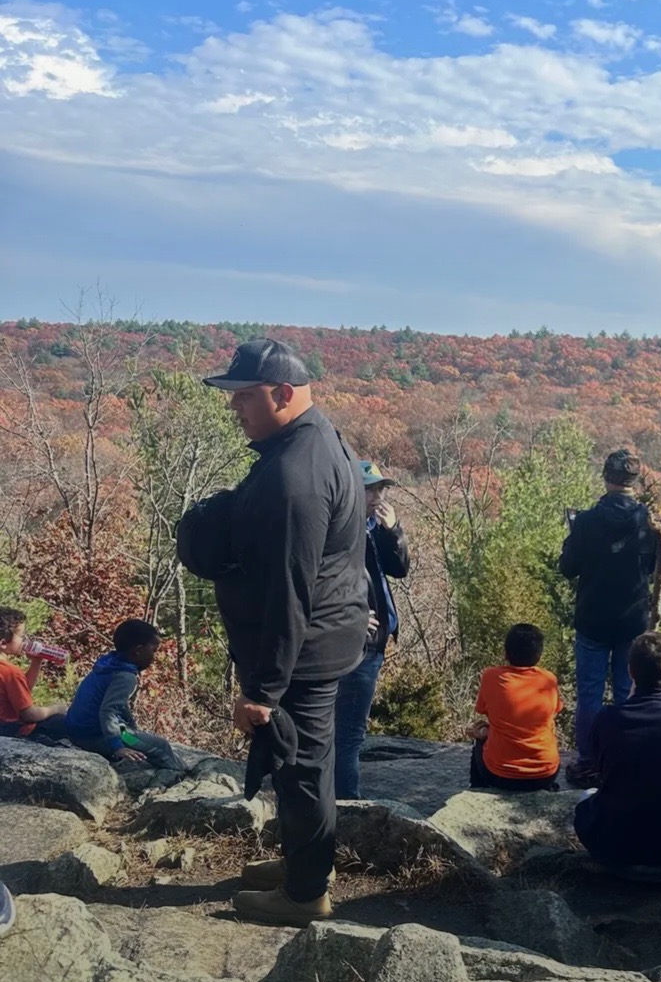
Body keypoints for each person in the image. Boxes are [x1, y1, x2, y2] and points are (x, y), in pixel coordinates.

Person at [178, 337, 367, 927]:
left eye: (244, 395)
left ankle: (306, 893)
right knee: (307, 765)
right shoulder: (314, 439)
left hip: (302, 652)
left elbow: (289, 592)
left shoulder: (295, 476)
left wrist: (262, 691)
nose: (234, 406)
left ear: (283, 394)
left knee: (302, 769)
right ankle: (304, 864)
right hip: (322, 640)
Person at [559, 448, 661, 788]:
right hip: (633, 622)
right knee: (627, 692)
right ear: (635, 482)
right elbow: (652, 568)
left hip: (592, 618)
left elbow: (568, 568)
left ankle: (589, 761)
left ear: (606, 478)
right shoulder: (647, 521)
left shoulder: (588, 521)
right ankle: (623, 759)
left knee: (590, 693)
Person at [573, 631, 661, 883]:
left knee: (587, 797)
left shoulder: (606, 719)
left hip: (610, 852)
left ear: (630, 672)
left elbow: (600, 768)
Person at [334, 461, 411, 800]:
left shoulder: (372, 526)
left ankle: (334, 804)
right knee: (348, 734)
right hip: (353, 644)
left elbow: (400, 569)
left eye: (381, 488)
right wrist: (349, 616)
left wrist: (392, 531)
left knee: (345, 731)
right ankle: (345, 806)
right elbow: (314, 582)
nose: (378, 495)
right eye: (370, 488)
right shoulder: (338, 529)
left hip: (372, 644)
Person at [60, 620, 182, 769]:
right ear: (138, 650)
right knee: (161, 746)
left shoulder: (109, 663)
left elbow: (119, 704)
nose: (154, 656)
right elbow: (109, 711)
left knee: (132, 734)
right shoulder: (125, 676)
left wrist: (133, 727)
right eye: (154, 650)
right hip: (93, 737)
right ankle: (181, 773)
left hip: (76, 729)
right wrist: (117, 746)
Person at [469, 623, 563, 792]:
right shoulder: (549, 679)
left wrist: (485, 732)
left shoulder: (491, 676)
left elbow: (483, 709)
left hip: (500, 775)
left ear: (506, 653)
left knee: (479, 737)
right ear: (539, 656)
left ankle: (477, 792)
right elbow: (554, 711)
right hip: (546, 774)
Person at [0, 608, 70, 742]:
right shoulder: (10, 672)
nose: (25, 640)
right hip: (12, 730)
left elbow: (21, 693)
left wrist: (36, 662)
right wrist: (56, 709)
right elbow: (29, 715)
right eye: (21, 636)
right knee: (64, 722)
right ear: (3, 643)